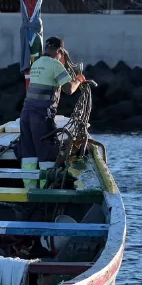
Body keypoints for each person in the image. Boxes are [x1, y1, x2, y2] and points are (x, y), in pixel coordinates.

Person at [20, 36, 84, 188]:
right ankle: (44, 190)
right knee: (47, 155)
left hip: (26, 115)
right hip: (41, 116)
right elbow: (69, 89)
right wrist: (79, 80)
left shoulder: (36, 64)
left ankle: (29, 189)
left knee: (29, 155)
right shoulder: (55, 65)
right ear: (59, 51)